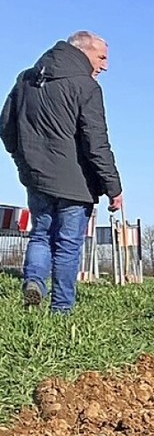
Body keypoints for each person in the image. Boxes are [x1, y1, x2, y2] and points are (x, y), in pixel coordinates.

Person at [0, 31, 123, 313]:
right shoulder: (87, 87)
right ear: (82, 51)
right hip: (75, 183)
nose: (105, 66)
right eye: (101, 57)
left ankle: (34, 283)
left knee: (40, 236)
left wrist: (24, 161)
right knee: (68, 245)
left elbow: (6, 127)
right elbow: (96, 143)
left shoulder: (26, 79)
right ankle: (61, 309)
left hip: (37, 178)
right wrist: (113, 188)